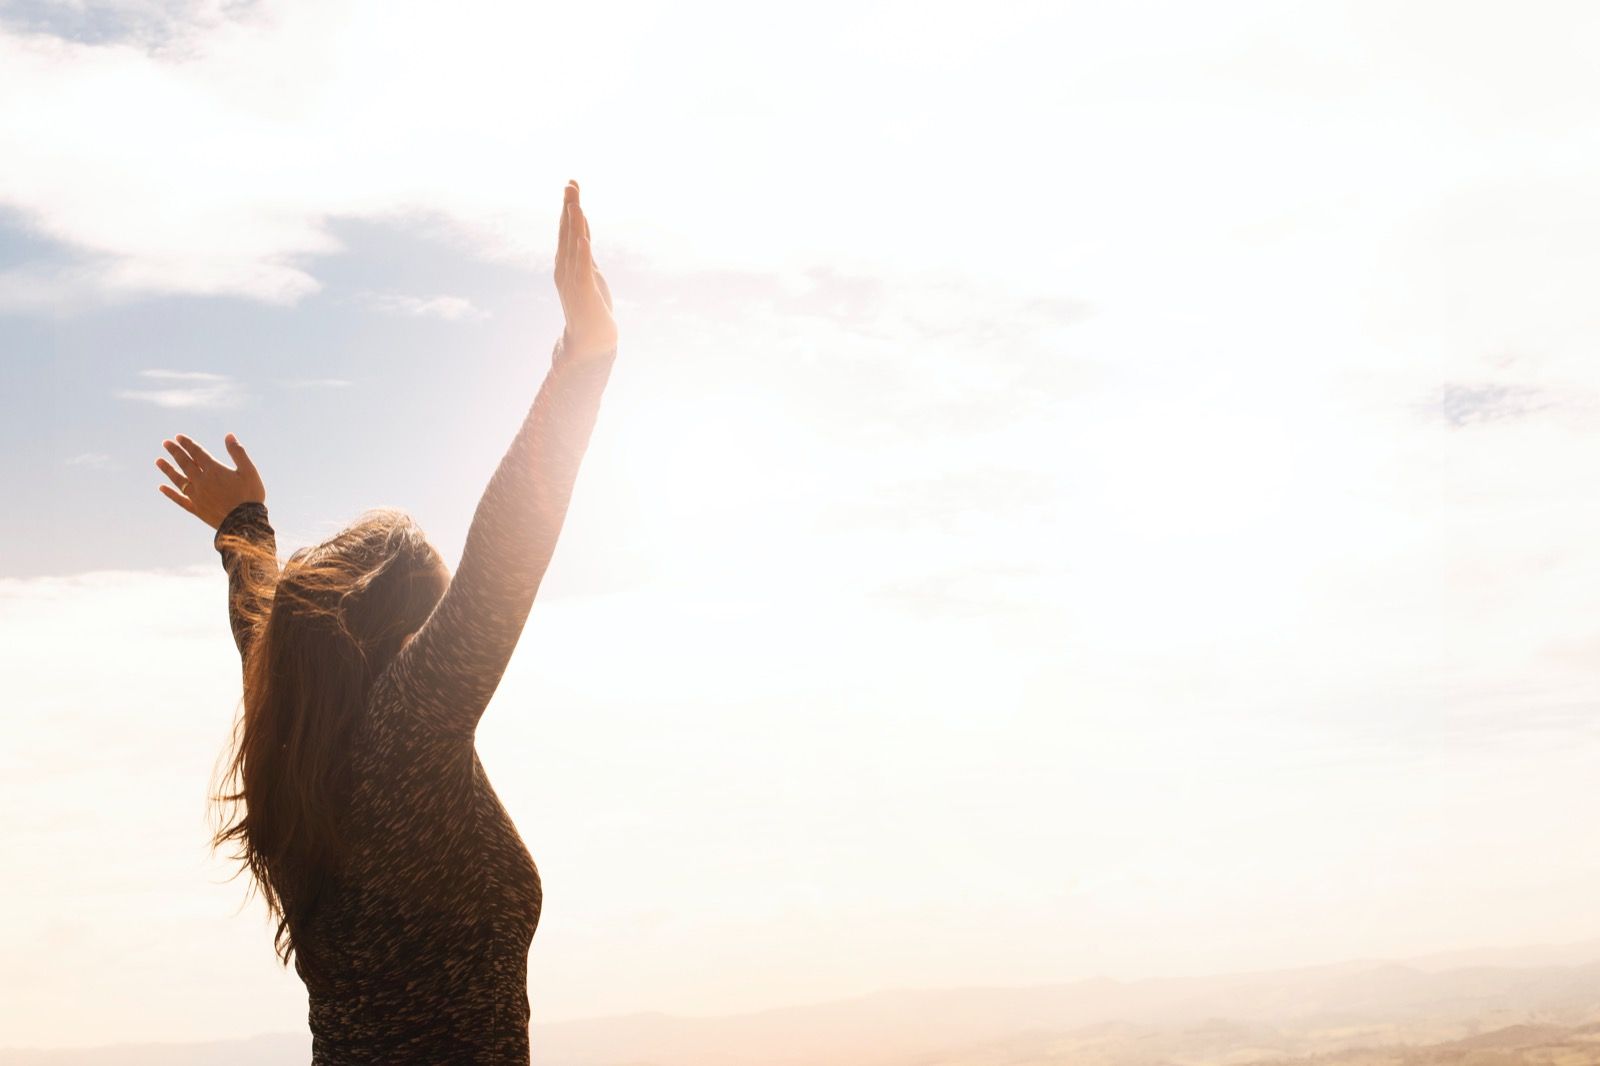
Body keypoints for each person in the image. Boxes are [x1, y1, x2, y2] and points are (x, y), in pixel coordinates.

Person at [154, 180, 618, 1063]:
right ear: (405, 631)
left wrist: (245, 529)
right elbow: (504, 558)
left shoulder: (294, 743)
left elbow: (262, 630)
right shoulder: (404, 739)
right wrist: (584, 358)